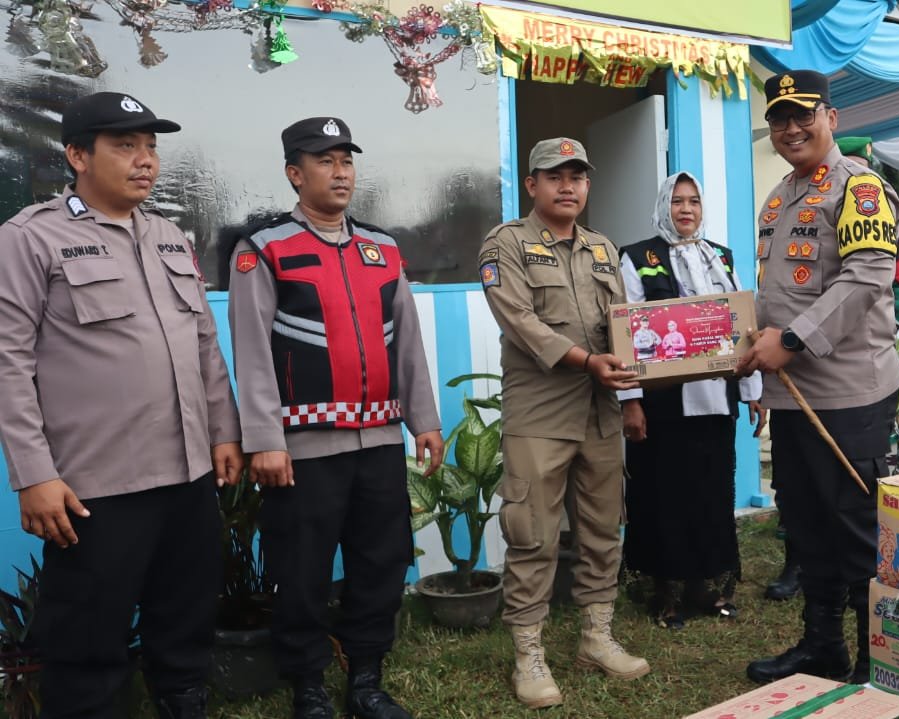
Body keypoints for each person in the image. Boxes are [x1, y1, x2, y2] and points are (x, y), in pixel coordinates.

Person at [0, 92, 243, 718]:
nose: (146, 160)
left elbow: (203, 342)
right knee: (90, 636)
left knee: (184, 616)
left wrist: (223, 430)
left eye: (152, 147)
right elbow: (8, 362)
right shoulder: (30, 238)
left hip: (188, 473)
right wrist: (34, 474)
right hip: (97, 484)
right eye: (126, 146)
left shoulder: (168, 236)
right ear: (77, 156)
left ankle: (182, 701)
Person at [228, 116, 444, 719]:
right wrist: (264, 439)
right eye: (325, 161)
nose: (340, 171)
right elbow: (251, 349)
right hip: (302, 449)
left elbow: (408, 342)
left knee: (382, 562)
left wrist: (424, 420)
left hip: (379, 441)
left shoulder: (383, 248)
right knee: (302, 570)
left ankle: (366, 680)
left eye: (346, 160)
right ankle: (308, 687)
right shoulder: (264, 249)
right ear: (295, 174)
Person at [738, 70, 899, 686]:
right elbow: (776, 294)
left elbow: (866, 279)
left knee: (854, 528)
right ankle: (822, 646)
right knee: (806, 524)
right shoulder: (778, 196)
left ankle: (875, 660)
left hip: (849, 393)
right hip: (793, 395)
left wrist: (788, 341)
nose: (791, 129)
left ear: (831, 119)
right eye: (779, 119)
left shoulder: (860, 188)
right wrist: (744, 341)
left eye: (802, 115)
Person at [477, 137, 650, 709]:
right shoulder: (506, 244)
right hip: (540, 415)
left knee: (602, 529)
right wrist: (586, 361)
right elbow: (520, 321)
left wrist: (639, 386)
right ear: (533, 185)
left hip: (600, 412)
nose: (568, 186)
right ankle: (528, 654)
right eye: (555, 176)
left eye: (577, 176)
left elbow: (623, 327)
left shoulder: (603, 248)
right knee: (533, 535)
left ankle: (596, 638)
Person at [617, 171, 766, 629]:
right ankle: (666, 593)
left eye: (694, 201)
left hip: (717, 399)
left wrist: (753, 392)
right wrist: (630, 401)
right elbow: (626, 335)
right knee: (665, 493)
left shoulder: (719, 257)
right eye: (677, 201)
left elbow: (743, 325)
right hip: (663, 405)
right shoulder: (638, 257)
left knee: (711, 492)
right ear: (664, 205)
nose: (686, 209)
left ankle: (706, 585)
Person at [836, 135, 899, 327]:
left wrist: (880, 328)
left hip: (871, 332)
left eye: (863, 170)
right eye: (847, 169)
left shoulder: (894, 220)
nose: (855, 177)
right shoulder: (811, 213)